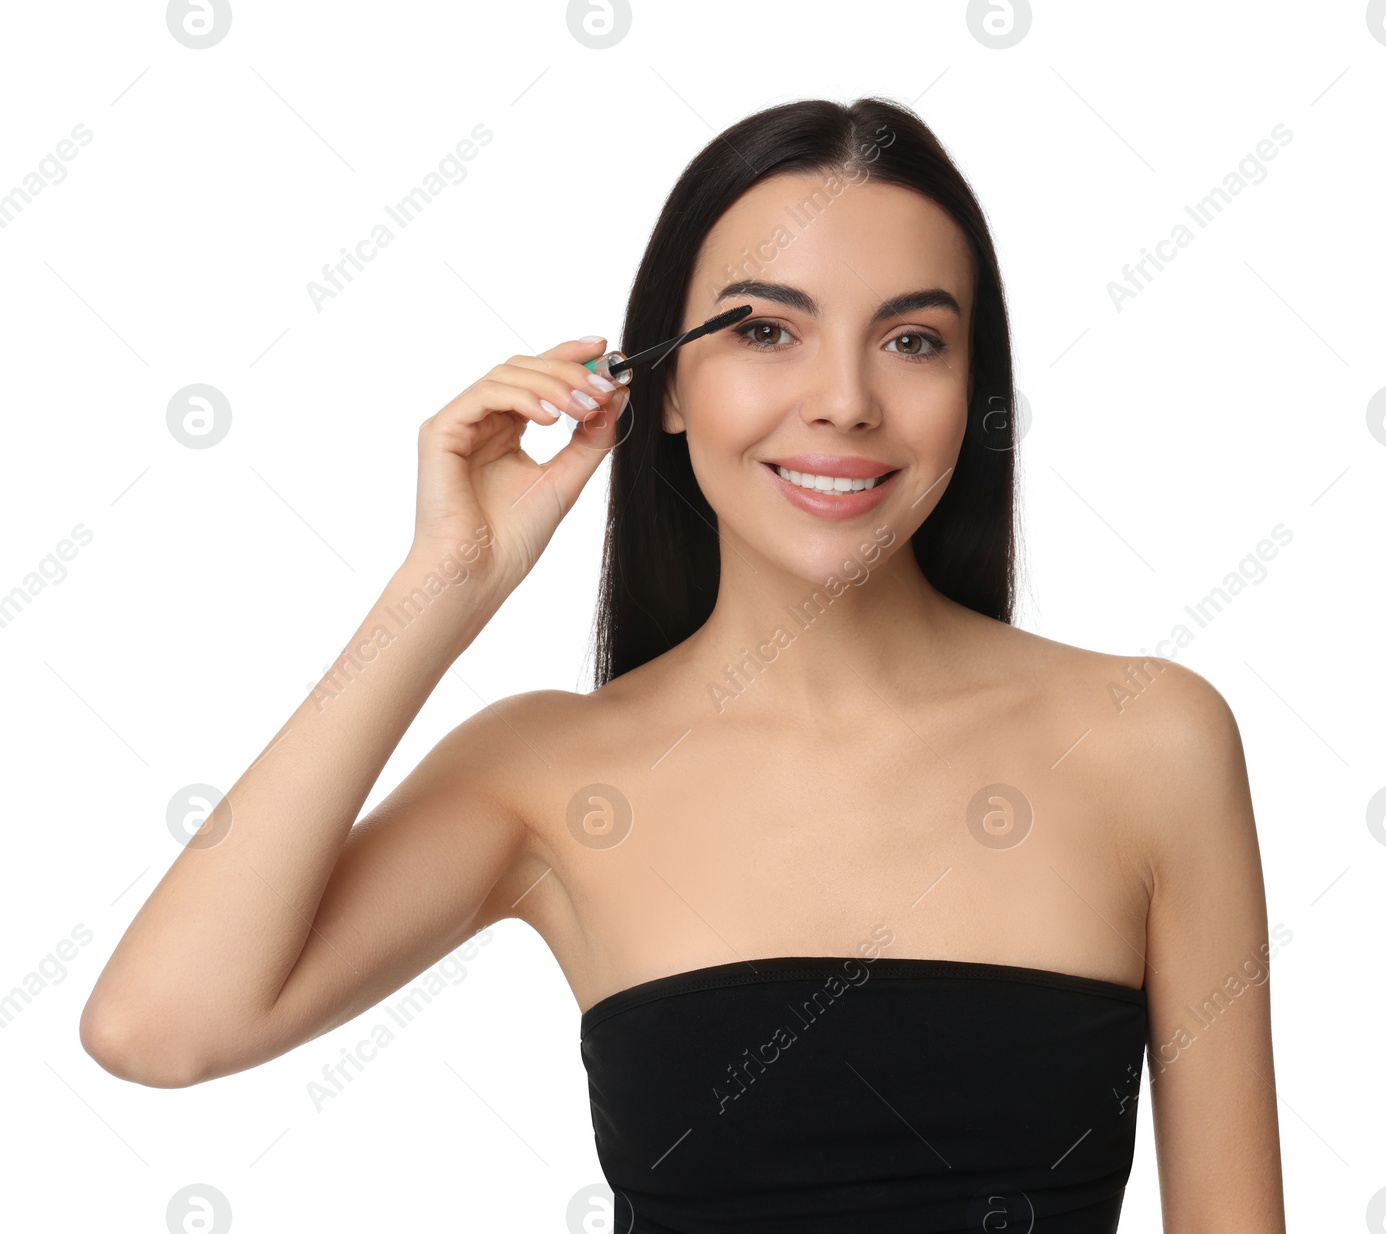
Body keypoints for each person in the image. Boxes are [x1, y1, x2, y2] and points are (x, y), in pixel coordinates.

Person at [80, 96, 1286, 1233]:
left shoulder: (1147, 738)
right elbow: (159, 1027)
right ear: (659, 388)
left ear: (972, 392)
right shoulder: (542, 773)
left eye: (911, 339)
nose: (845, 401)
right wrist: (444, 585)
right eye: (767, 329)